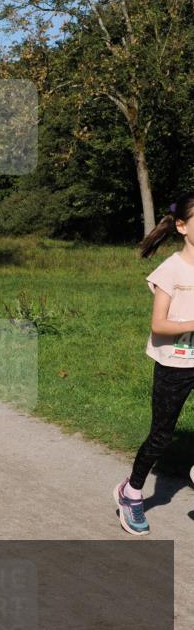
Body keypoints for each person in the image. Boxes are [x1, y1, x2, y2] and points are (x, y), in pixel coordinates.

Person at [114, 191, 194, 535]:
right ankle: (131, 493)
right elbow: (158, 325)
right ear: (181, 226)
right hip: (175, 363)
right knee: (161, 437)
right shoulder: (170, 270)